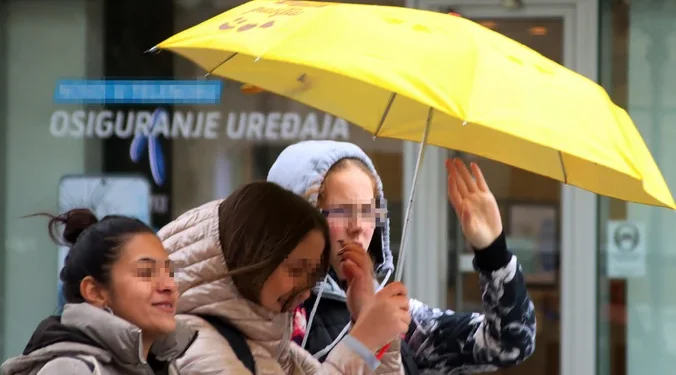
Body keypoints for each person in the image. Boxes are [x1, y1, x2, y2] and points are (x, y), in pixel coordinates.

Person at [267, 140, 537, 375]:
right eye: (340, 211)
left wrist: (492, 252)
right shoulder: (263, 308)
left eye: (368, 211)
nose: (358, 225)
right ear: (299, 217)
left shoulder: (389, 312)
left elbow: (508, 343)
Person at [157, 181, 409, 375]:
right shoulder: (198, 345)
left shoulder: (275, 349)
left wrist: (371, 326)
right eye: (296, 270)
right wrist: (362, 342)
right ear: (250, 256)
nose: (305, 291)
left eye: (312, 275)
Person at [1, 209, 196, 375]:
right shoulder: (71, 370)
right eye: (146, 272)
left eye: (170, 272)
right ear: (94, 291)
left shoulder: (168, 367)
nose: (168, 285)